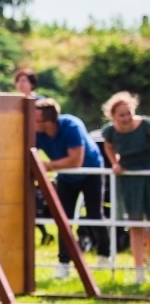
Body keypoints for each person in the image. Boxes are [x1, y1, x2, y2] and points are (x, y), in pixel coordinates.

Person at [35, 98, 109, 279]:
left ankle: (104, 256)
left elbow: (76, 161)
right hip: (66, 177)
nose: (31, 123)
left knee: (95, 215)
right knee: (63, 218)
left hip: (91, 172)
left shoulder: (72, 126)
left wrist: (47, 166)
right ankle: (64, 264)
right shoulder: (37, 133)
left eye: (35, 120)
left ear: (48, 122)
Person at [101, 91, 150, 284]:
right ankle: (139, 272)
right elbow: (108, 146)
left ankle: (147, 258)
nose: (126, 118)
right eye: (121, 115)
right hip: (129, 179)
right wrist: (115, 163)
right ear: (113, 116)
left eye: (128, 113)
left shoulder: (145, 125)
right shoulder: (110, 131)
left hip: (148, 173)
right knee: (135, 225)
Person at [14, 67, 54, 246]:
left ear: (32, 84)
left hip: (35, 149)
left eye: (24, 81)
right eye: (19, 81)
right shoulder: (14, 102)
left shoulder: (41, 103)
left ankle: (43, 231)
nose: (21, 84)